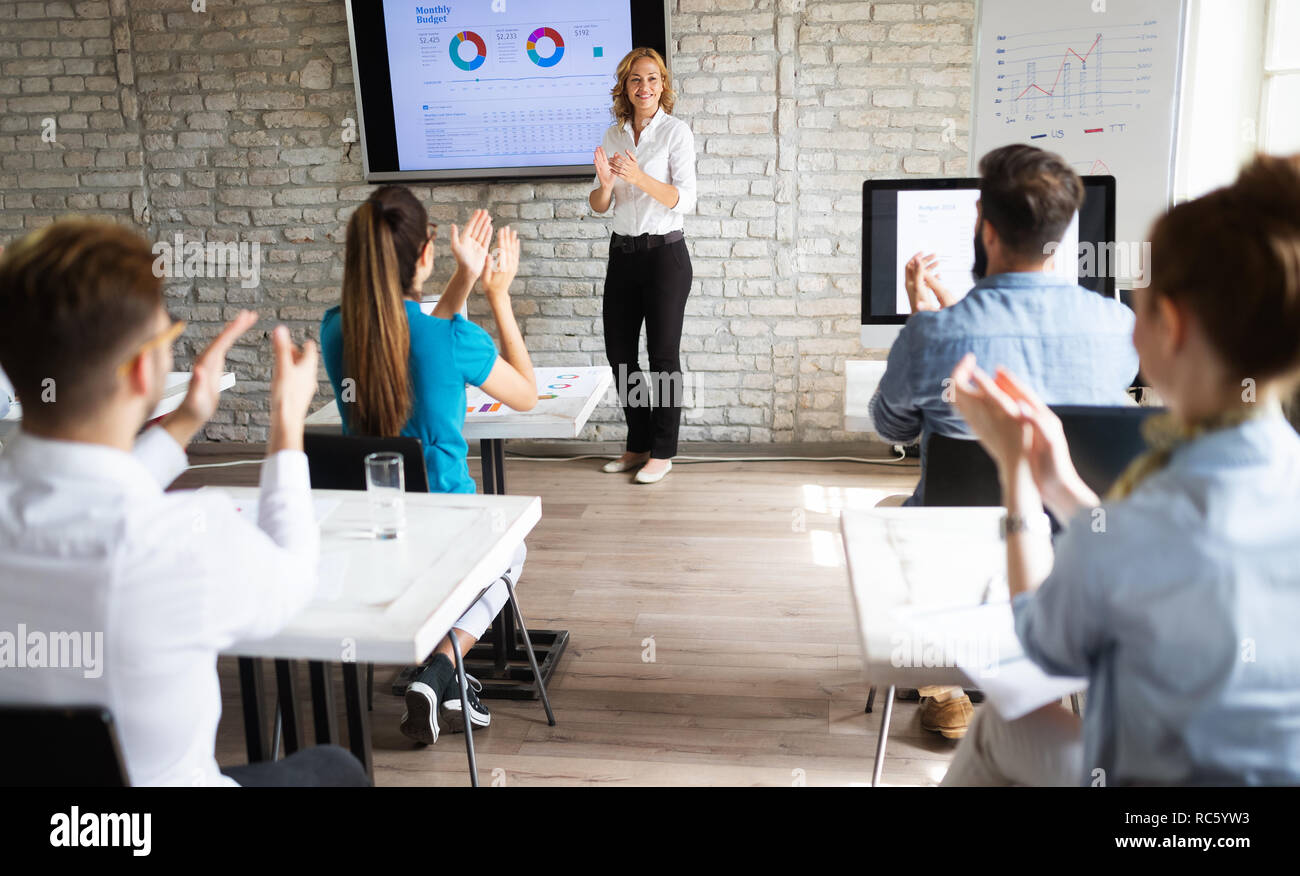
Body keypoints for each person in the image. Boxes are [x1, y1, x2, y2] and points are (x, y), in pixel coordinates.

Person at [943, 153, 1300, 786]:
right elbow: (1164, 561)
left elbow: (1044, 647)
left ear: (1170, 323)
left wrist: (1017, 476)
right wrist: (1061, 484)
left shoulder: (1150, 518)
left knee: (1005, 720)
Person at [0, 219, 367, 787]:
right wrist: (287, 423)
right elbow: (293, 579)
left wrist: (187, 421)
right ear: (145, 369)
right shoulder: (183, 542)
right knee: (335, 767)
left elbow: (82, 493)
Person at [869, 145, 1139, 740]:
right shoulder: (1117, 326)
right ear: (1062, 232)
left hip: (960, 561)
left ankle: (942, 687)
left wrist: (926, 323)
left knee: (891, 519)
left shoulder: (935, 336)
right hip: (1075, 559)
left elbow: (891, 428)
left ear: (985, 229)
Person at [320, 186, 536, 746]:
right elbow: (527, 395)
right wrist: (498, 293)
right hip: (448, 528)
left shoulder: (334, 330)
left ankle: (441, 674)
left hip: (370, 532)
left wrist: (461, 285)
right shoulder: (451, 337)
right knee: (512, 550)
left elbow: (410, 339)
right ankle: (441, 670)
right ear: (425, 254)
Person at [590, 46, 697, 484]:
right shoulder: (613, 135)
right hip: (624, 254)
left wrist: (637, 178)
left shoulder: (676, 132)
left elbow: (684, 198)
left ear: (663, 86)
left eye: (652, 79)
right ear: (625, 87)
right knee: (620, 355)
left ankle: (664, 450)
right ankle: (638, 443)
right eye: (636, 79)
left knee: (663, 357)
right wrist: (606, 182)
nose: (645, 86)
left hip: (665, 256)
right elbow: (600, 205)